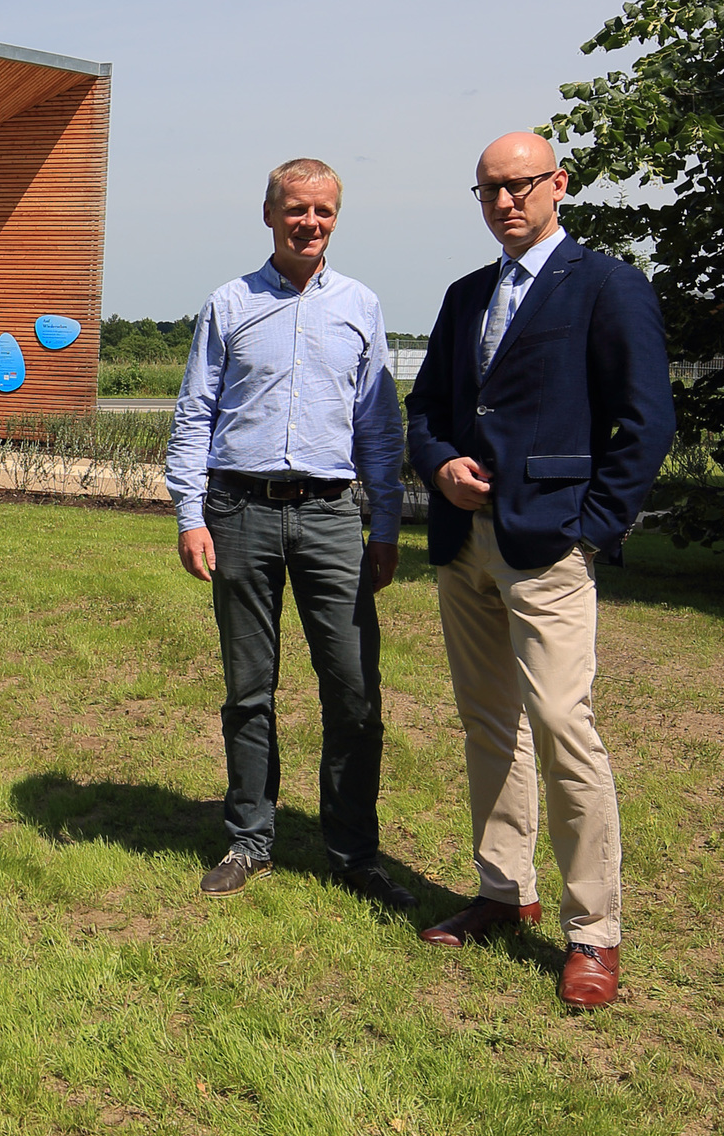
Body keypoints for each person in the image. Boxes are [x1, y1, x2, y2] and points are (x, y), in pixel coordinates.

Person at [406, 132, 674, 1009]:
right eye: (488, 191)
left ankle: (594, 934)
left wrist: (591, 528)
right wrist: (439, 462)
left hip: (550, 544)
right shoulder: (465, 295)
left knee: (563, 727)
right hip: (464, 544)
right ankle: (501, 890)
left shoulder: (606, 284)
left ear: (559, 184)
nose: (504, 203)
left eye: (520, 186)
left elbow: (647, 424)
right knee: (491, 726)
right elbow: (427, 411)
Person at [166, 158, 410, 909]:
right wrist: (190, 515)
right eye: (296, 209)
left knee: (354, 690)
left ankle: (353, 851)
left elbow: (378, 424)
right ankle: (249, 839)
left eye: (324, 211)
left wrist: (388, 525)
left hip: (333, 516)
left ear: (337, 217)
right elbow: (194, 414)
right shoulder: (229, 303)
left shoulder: (360, 305)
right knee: (249, 690)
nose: (310, 223)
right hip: (241, 513)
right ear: (269, 214)